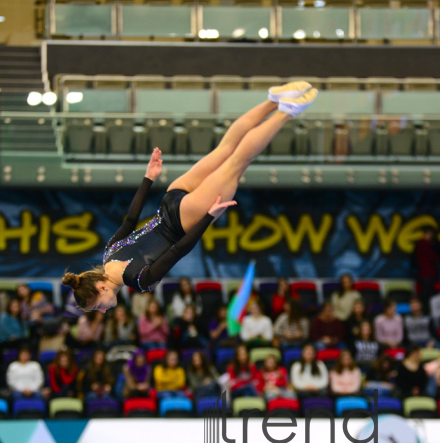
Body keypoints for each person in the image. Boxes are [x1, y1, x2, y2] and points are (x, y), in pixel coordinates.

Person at [61, 83, 318, 311]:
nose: (104, 311)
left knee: (238, 161)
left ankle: (287, 111)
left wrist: (207, 218)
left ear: (101, 290)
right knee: (226, 149)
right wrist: (148, 178)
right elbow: (130, 219)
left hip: (186, 218)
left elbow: (180, 249)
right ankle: (273, 100)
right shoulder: (109, 253)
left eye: (98, 307)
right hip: (170, 199)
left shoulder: (139, 281)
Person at [414, 226, 439, 311]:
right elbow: (433, 257)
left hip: (425, 274)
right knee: (426, 296)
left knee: (427, 295)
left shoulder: (422, 244)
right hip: (427, 274)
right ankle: (425, 311)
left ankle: (426, 310)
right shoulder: (424, 244)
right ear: (429, 234)